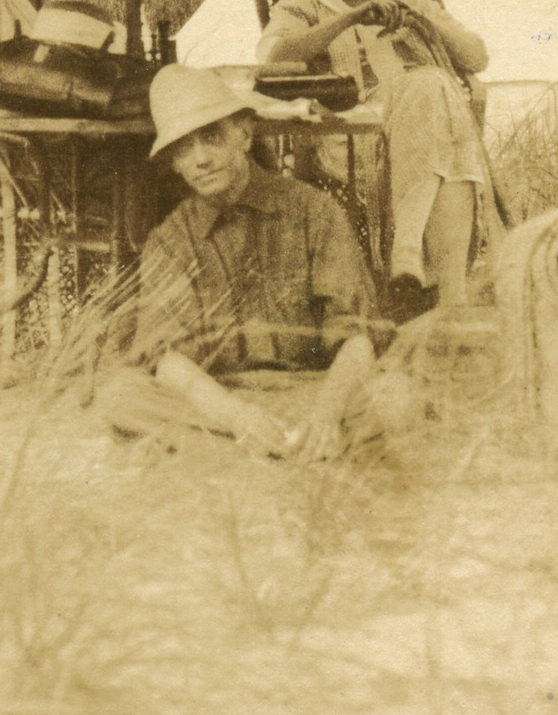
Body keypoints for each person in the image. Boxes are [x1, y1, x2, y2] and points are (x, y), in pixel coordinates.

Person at [97, 66, 410, 461]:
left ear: (243, 134)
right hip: (218, 401)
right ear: (174, 163)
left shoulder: (314, 211)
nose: (200, 160)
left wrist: (327, 414)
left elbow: (357, 334)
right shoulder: (172, 239)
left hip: (312, 390)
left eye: (211, 138)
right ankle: (280, 448)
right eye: (183, 149)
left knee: (396, 395)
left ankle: (245, 450)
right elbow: (167, 360)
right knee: (121, 395)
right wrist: (238, 417)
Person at [256, 0, 502, 320]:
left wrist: (423, 23)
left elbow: (476, 57)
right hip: (351, 138)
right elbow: (274, 57)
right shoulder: (304, 1)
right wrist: (354, 16)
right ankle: (450, 300)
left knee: (429, 89)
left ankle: (410, 260)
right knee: (445, 130)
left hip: (420, 134)